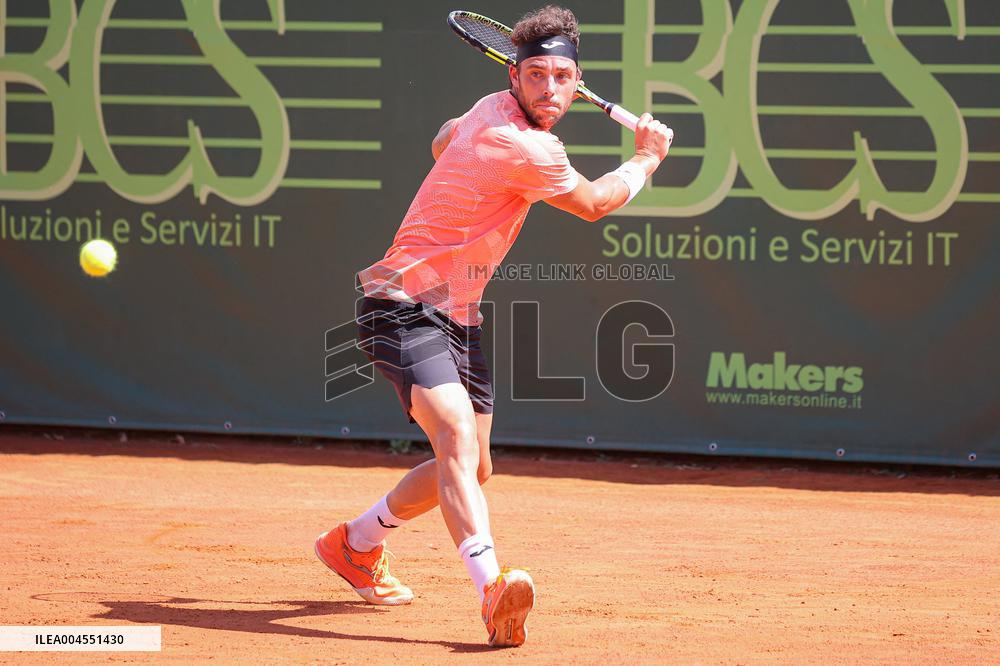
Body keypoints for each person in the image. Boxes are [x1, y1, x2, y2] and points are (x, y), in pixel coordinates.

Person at [314, 5, 673, 647]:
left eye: (563, 76)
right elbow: (593, 204)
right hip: (400, 301)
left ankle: (357, 543)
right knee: (451, 432)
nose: (552, 89)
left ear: (576, 78)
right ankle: (491, 589)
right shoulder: (526, 144)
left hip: (459, 313)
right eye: (536, 75)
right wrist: (646, 159)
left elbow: (441, 139)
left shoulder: (485, 109)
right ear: (514, 75)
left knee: (472, 467)